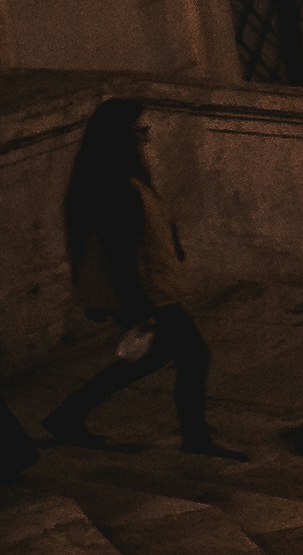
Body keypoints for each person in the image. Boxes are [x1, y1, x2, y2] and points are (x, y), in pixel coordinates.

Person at [34, 98, 233, 458]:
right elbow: (120, 254)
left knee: (153, 358)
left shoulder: (124, 180)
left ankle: (68, 415)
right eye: (139, 132)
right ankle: (195, 438)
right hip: (149, 292)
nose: (145, 139)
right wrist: (140, 308)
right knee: (194, 355)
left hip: (152, 288)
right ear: (120, 138)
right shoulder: (116, 187)